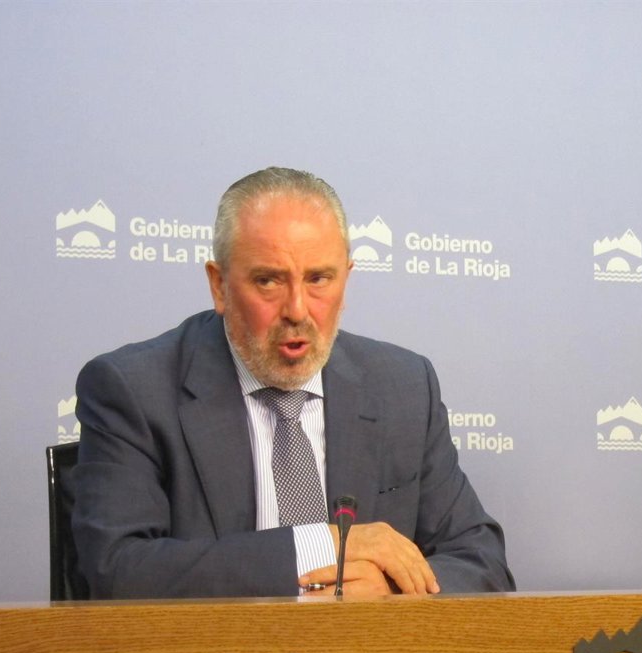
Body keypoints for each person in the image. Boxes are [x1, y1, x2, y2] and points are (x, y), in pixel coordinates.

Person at [72, 167, 514, 599]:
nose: (298, 311)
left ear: (346, 279)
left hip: (367, 650)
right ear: (219, 285)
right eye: (268, 281)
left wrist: (391, 592)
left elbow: (481, 562)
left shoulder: (403, 387)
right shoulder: (133, 389)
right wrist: (325, 545)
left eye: (319, 279)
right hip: (216, 649)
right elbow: (118, 570)